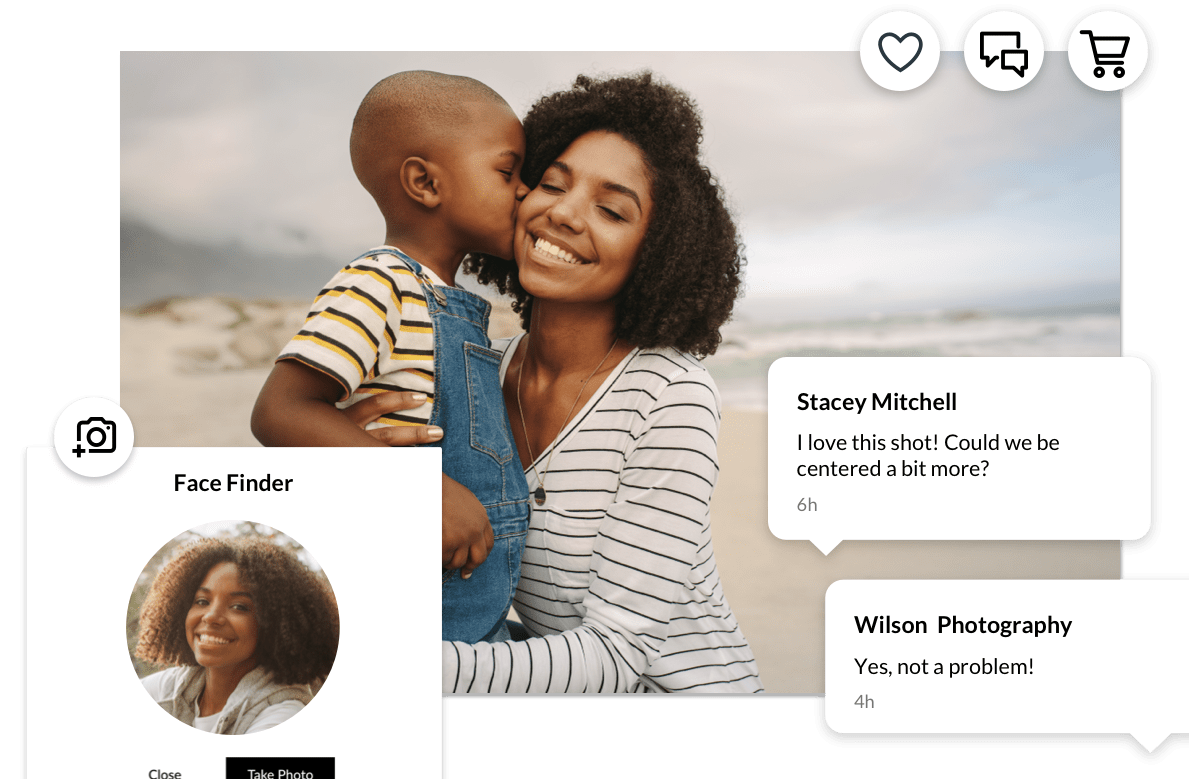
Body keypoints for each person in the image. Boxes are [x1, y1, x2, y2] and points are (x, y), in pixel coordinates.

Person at [352, 73, 763, 693]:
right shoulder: (472, 375)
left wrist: (398, 666)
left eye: (612, 209)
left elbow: (617, 658)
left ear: (657, 250)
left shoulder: (669, 394)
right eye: (551, 183)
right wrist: (361, 461)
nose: (564, 213)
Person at [250, 71, 531, 643]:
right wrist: (421, 490)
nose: (526, 191)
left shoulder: (450, 302)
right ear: (425, 182)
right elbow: (281, 409)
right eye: (508, 172)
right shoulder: (377, 282)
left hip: (471, 607)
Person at [135, 537, 340, 734]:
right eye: (202, 601)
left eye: (239, 607)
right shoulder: (168, 689)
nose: (211, 617)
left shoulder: (282, 716)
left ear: (275, 623)